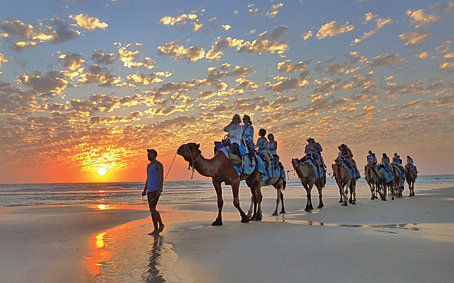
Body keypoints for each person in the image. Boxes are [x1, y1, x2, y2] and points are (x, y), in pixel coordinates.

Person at [141, 149, 165, 235]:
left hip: (156, 190)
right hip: (149, 190)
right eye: (147, 154)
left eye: (149, 154)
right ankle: (155, 229)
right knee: (151, 210)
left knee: (152, 208)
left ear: (154, 155)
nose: (148, 155)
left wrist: (159, 189)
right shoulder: (148, 166)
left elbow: (161, 177)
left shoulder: (158, 165)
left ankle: (161, 224)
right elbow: (148, 178)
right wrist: (145, 189)